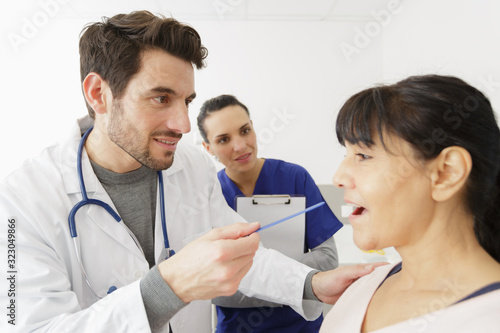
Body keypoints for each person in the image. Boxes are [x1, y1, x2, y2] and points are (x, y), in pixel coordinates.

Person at [0, 11, 380, 333]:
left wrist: (311, 283)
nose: (183, 124)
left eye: (187, 101)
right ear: (99, 94)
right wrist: (170, 286)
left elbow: (238, 255)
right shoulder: (21, 200)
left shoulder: (192, 167)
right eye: (161, 98)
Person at [320, 74, 500, 332]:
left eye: (363, 155)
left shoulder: (489, 320)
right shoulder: (361, 289)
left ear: (446, 173)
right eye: (346, 154)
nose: (339, 177)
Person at [197, 94, 343, 332]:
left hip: (302, 326)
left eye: (245, 131)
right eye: (223, 139)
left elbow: (327, 262)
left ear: (253, 128)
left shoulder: (295, 178)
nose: (240, 145)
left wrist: (243, 277)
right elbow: (210, 287)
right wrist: (297, 282)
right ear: (208, 148)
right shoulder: (208, 196)